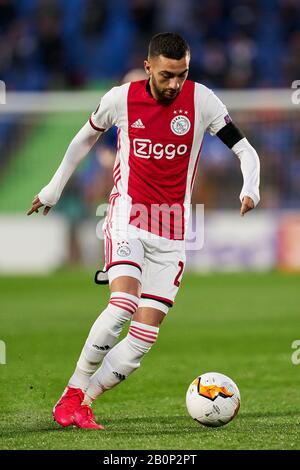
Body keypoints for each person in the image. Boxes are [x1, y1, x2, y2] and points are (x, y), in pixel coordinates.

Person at [27, 32, 260, 430]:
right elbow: (84, 138)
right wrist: (53, 187)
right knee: (122, 307)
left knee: (142, 339)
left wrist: (250, 186)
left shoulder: (202, 100)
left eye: (182, 75)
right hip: (127, 218)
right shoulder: (120, 99)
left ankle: (84, 400)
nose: (175, 84)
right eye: (167, 75)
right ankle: (71, 392)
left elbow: (244, 148)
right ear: (149, 66)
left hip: (173, 231)